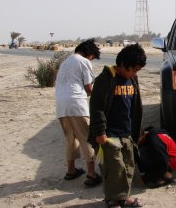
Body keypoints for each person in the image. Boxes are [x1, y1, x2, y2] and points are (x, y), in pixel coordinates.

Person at [89, 43, 146, 208]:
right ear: (122, 64)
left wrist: (138, 130)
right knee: (114, 168)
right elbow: (97, 107)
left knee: (128, 166)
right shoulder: (106, 79)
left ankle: (122, 197)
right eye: (132, 70)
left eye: (136, 71)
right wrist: (99, 131)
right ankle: (112, 199)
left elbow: (135, 107)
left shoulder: (132, 80)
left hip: (126, 133)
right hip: (109, 134)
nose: (134, 73)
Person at [55, 38, 102, 187]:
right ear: (89, 54)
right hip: (76, 104)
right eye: (93, 57)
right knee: (87, 138)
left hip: (61, 105)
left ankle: (71, 171)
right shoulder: (83, 61)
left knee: (70, 138)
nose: (91, 60)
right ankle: (91, 174)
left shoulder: (65, 62)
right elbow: (89, 88)